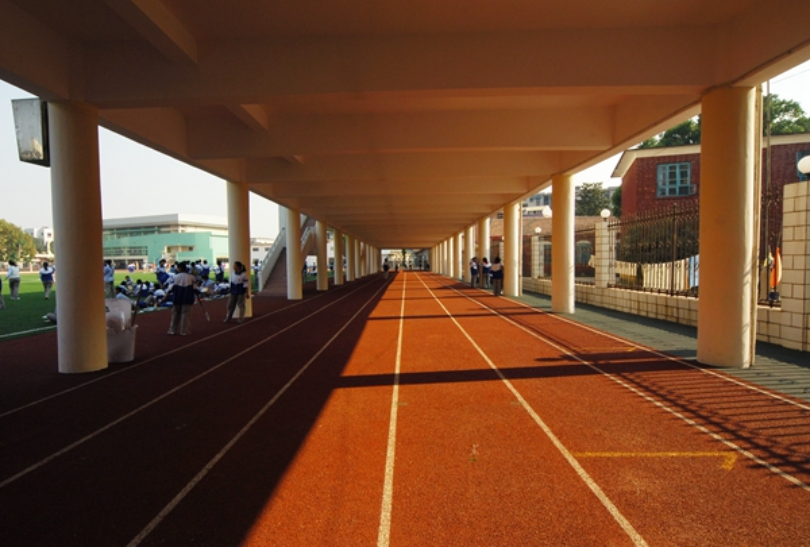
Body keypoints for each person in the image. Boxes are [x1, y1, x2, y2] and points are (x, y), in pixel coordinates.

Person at [166, 262, 197, 336]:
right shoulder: (191, 277)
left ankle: (173, 330)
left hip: (177, 298)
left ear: (179, 268)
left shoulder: (174, 277)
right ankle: (184, 331)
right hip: (187, 298)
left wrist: (166, 296)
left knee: (175, 315)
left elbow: (170, 289)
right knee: (185, 315)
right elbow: (195, 288)